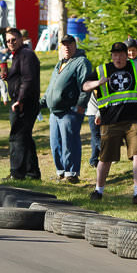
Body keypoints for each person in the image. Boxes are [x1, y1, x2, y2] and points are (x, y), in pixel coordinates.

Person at [82, 40, 137, 203]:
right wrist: (98, 83)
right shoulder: (103, 70)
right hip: (110, 121)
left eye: (121, 54)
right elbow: (85, 85)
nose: (118, 58)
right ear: (112, 56)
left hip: (134, 120)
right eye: (115, 55)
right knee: (105, 158)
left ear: (126, 55)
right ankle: (98, 191)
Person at [43, 34, 93, 183]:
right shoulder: (60, 64)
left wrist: (80, 105)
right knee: (55, 143)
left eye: (69, 44)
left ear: (75, 45)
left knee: (69, 142)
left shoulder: (81, 62)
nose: (66, 47)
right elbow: (51, 87)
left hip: (70, 110)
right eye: (64, 44)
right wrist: (41, 102)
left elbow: (86, 86)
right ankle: (61, 172)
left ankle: (71, 173)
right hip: (55, 111)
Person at [4, 27, 42, 180]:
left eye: (13, 40)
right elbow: (21, 78)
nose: (11, 43)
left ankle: (17, 173)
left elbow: (28, 79)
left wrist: (19, 100)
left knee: (17, 137)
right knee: (25, 137)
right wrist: (7, 77)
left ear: (21, 39)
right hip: (24, 101)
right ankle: (32, 172)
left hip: (24, 103)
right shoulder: (18, 55)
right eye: (8, 41)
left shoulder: (25, 54)